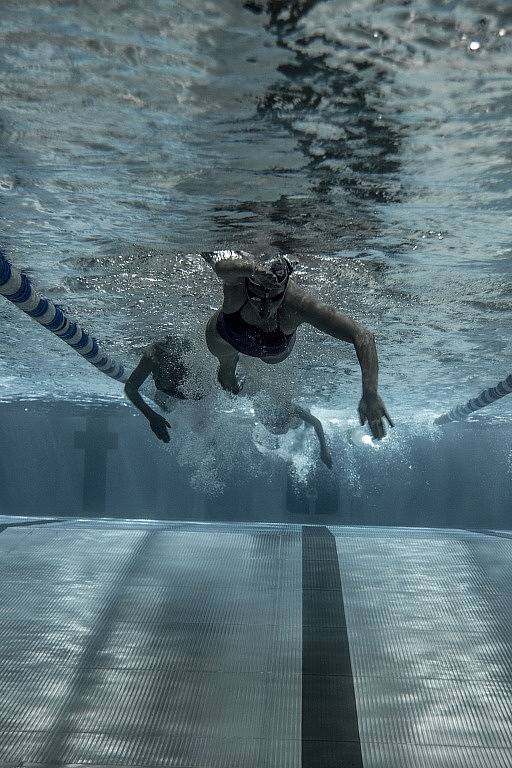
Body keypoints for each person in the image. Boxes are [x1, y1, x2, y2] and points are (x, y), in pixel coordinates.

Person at [202, 250, 393, 439]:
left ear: (284, 290)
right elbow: (220, 266)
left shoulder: (298, 303)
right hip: (227, 334)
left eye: (275, 299)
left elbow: (363, 336)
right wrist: (253, 269)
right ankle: (230, 368)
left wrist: (370, 392)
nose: (265, 309)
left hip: (273, 346)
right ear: (246, 285)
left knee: (271, 360)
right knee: (227, 378)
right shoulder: (238, 283)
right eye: (256, 298)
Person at [124, 334, 200, 443]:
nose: (176, 375)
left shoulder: (197, 360)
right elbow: (130, 388)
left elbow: (130, 388)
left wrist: (152, 417)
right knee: (165, 406)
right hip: (167, 392)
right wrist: (151, 416)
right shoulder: (156, 354)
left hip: (181, 392)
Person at [253, 393, 333, 468]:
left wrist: (324, 449)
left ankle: (306, 419)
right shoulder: (262, 410)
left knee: (298, 423)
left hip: (292, 419)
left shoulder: (292, 410)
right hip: (278, 416)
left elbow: (317, 423)